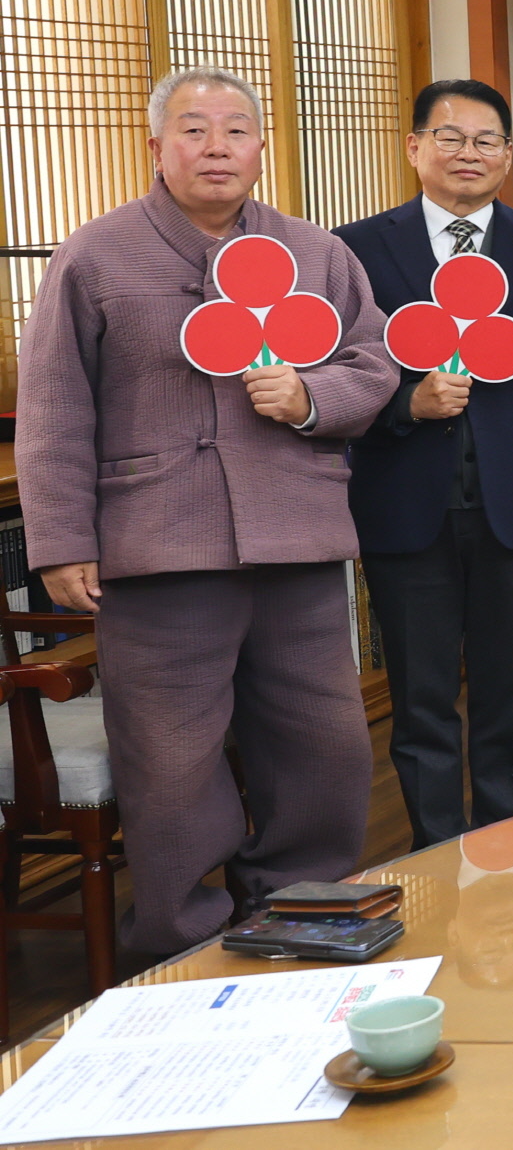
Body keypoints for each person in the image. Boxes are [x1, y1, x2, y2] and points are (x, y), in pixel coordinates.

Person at [19, 69, 396, 954]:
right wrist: (63, 541)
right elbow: (53, 406)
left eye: (236, 130)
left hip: (293, 537)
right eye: (193, 130)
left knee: (324, 745)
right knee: (170, 763)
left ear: (264, 148)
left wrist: (309, 394)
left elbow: (375, 365)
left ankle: (306, 912)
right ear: (156, 148)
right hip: (155, 544)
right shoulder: (96, 254)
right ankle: (185, 940)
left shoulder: (318, 254)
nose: (216, 146)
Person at [336, 78, 513, 849]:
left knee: (507, 694)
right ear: (415, 146)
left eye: (487, 141)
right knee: (418, 698)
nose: (468, 154)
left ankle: (500, 842)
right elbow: (340, 370)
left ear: (509, 156)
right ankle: (436, 851)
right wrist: (402, 407)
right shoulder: (357, 247)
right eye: (450, 137)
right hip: (402, 502)